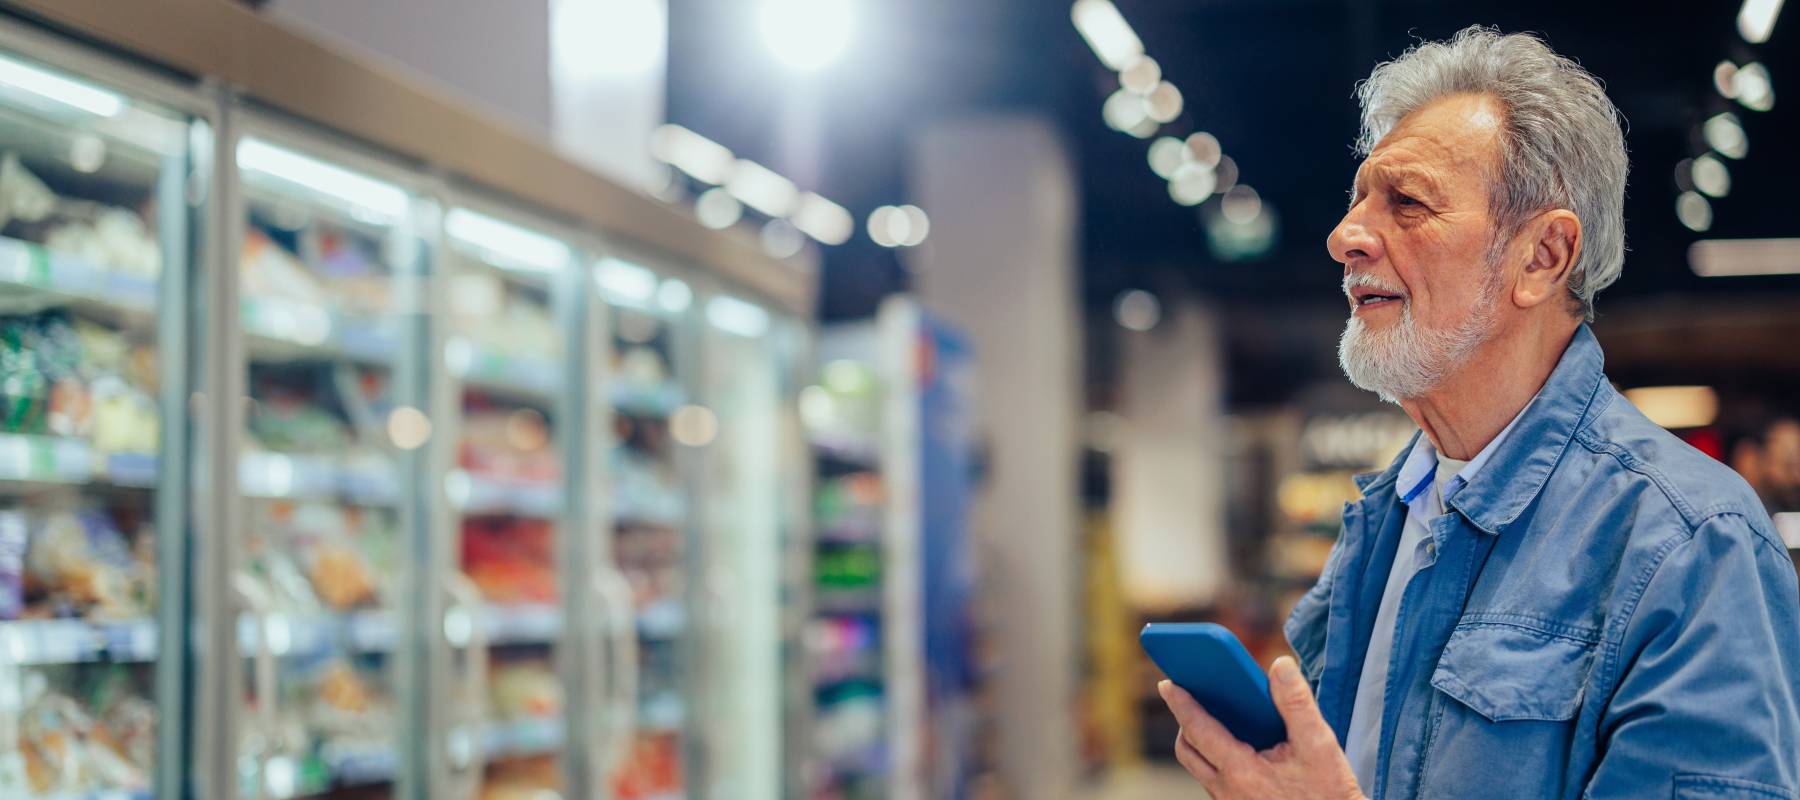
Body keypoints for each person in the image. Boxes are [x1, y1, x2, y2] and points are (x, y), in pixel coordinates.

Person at [1157, 26, 1800, 799]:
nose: (1344, 236)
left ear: (1542, 258)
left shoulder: (1692, 548)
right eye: (1359, 197)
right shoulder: (1385, 520)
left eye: (1407, 203)